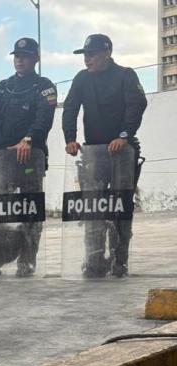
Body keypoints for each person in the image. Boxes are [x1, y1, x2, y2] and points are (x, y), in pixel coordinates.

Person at [62, 33, 148, 278]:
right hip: (93, 152)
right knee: (94, 208)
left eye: (92, 54)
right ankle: (95, 260)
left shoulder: (125, 75)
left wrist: (123, 134)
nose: (87, 59)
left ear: (107, 53)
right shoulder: (81, 79)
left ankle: (119, 260)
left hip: (122, 150)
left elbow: (137, 104)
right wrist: (70, 138)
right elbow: (70, 108)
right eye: (85, 55)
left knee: (120, 208)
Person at [0, 38, 57, 278]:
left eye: (25, 55)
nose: (20, 60)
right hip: (2, 161)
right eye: (17, 55)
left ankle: (26, 262)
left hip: (30, 160)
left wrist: (28, 139)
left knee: (30, 212)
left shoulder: (45, 86)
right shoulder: (3, 87)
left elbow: (44, 118)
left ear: (36, 59)